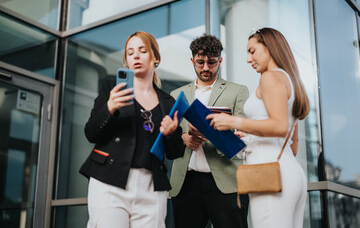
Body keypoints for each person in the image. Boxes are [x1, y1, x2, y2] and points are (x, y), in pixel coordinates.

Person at [79, 31, 185, 228]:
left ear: (156, 58)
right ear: (126, 61)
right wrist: (109, 108)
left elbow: (176, 152)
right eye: (130, 52)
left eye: (142, 50)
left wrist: (171, 134)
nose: (136, 56)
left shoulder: (168, 102)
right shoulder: (112, 90)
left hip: (152, 186)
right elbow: (91, 133)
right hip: (110, 180)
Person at [206, 27, 310, 228]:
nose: (248, 59)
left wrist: (233, 121)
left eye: (252, 51)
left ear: (269, 46)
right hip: (290, 170)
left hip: (269, 172)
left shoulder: (270, 77)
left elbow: (279, 126)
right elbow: (292, 145)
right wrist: (250, 134)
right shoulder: (290, 80)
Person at [169, 34, 249, 228]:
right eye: (200, 62)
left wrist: (215, 132)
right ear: (192, 60)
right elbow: (170, 136)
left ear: (220, 61)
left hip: (226, 181)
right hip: (186, 182)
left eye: (212, 62)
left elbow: (244, 134)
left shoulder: (238, 91)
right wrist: (183, 137)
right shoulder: (176, 95)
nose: (205, 68)